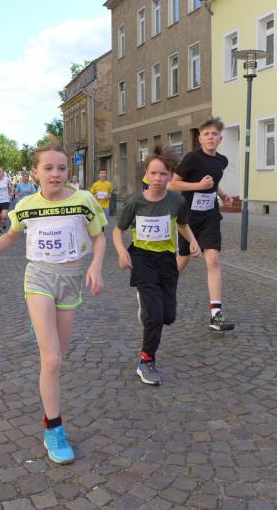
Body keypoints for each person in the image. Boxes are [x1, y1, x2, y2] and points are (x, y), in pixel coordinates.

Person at [0, 140, 106, 465]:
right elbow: (11, 235)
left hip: (70, 280)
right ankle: (54, 428)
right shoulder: (27, 204)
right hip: (39, 278)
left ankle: (42, 327)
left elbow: (99, 236)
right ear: (36, 173)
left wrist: (96, 266)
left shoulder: (83, 201)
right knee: (52, 359)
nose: (56, 173)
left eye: (61, 168)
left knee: (58, 358)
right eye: (49, 168)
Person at [113, 146, 200, 386]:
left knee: (168, 316)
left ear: (171, 175)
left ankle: (146, 307)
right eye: (153, 173)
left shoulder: (176, 201)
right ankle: (146, 361)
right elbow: (118, 231)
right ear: (146, 174)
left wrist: (193, 241)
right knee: (155, 315)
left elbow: (182, 224)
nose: (158, 178)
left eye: (163, 174)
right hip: (142, 258)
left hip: (167, 260)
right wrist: (122, 251)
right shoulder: (135, 202)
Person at [167, 117, 235, 332]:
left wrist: (222, 195)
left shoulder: (222, 161)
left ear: (220, 139)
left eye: (214, 134)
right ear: (200, 138)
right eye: (206, 134)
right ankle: (160, 291)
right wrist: (198, 185)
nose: (210, 138)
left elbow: (214, 182)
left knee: (213, 259)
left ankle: (216, 315)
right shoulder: (192, 159)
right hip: (189, 217)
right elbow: (172, 184)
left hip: (210, 216)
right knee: (183, 258)